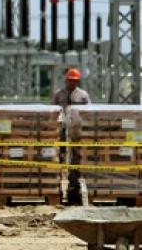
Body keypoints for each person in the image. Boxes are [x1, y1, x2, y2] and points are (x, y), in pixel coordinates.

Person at [51, 67, 90, 205]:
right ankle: (60, 188)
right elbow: (51, 112)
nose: (72, 83)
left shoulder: (83, 95)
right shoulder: (59, 95)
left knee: (76, 159)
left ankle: (74, 189)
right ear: (66, 80)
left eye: (75, 81)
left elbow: (88, 113)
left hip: (77, 133)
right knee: (60, 158)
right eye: (70, 80)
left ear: (78, 81)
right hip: (61, 131)